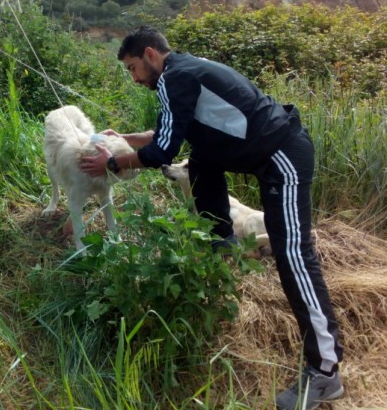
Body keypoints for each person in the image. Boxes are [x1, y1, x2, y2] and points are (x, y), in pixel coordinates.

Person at [80, 26, 344, 410]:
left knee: (294, 255)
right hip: (269, 153)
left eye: (134, 68)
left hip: (282, 157)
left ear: (151, 55)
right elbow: (171, 131)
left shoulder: (175, 78)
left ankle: (324, 372)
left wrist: (114, 162)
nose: (135, 79)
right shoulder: (185, 71)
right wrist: (128, 137)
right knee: (202, 159)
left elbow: (164, 153)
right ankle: (221, 245)